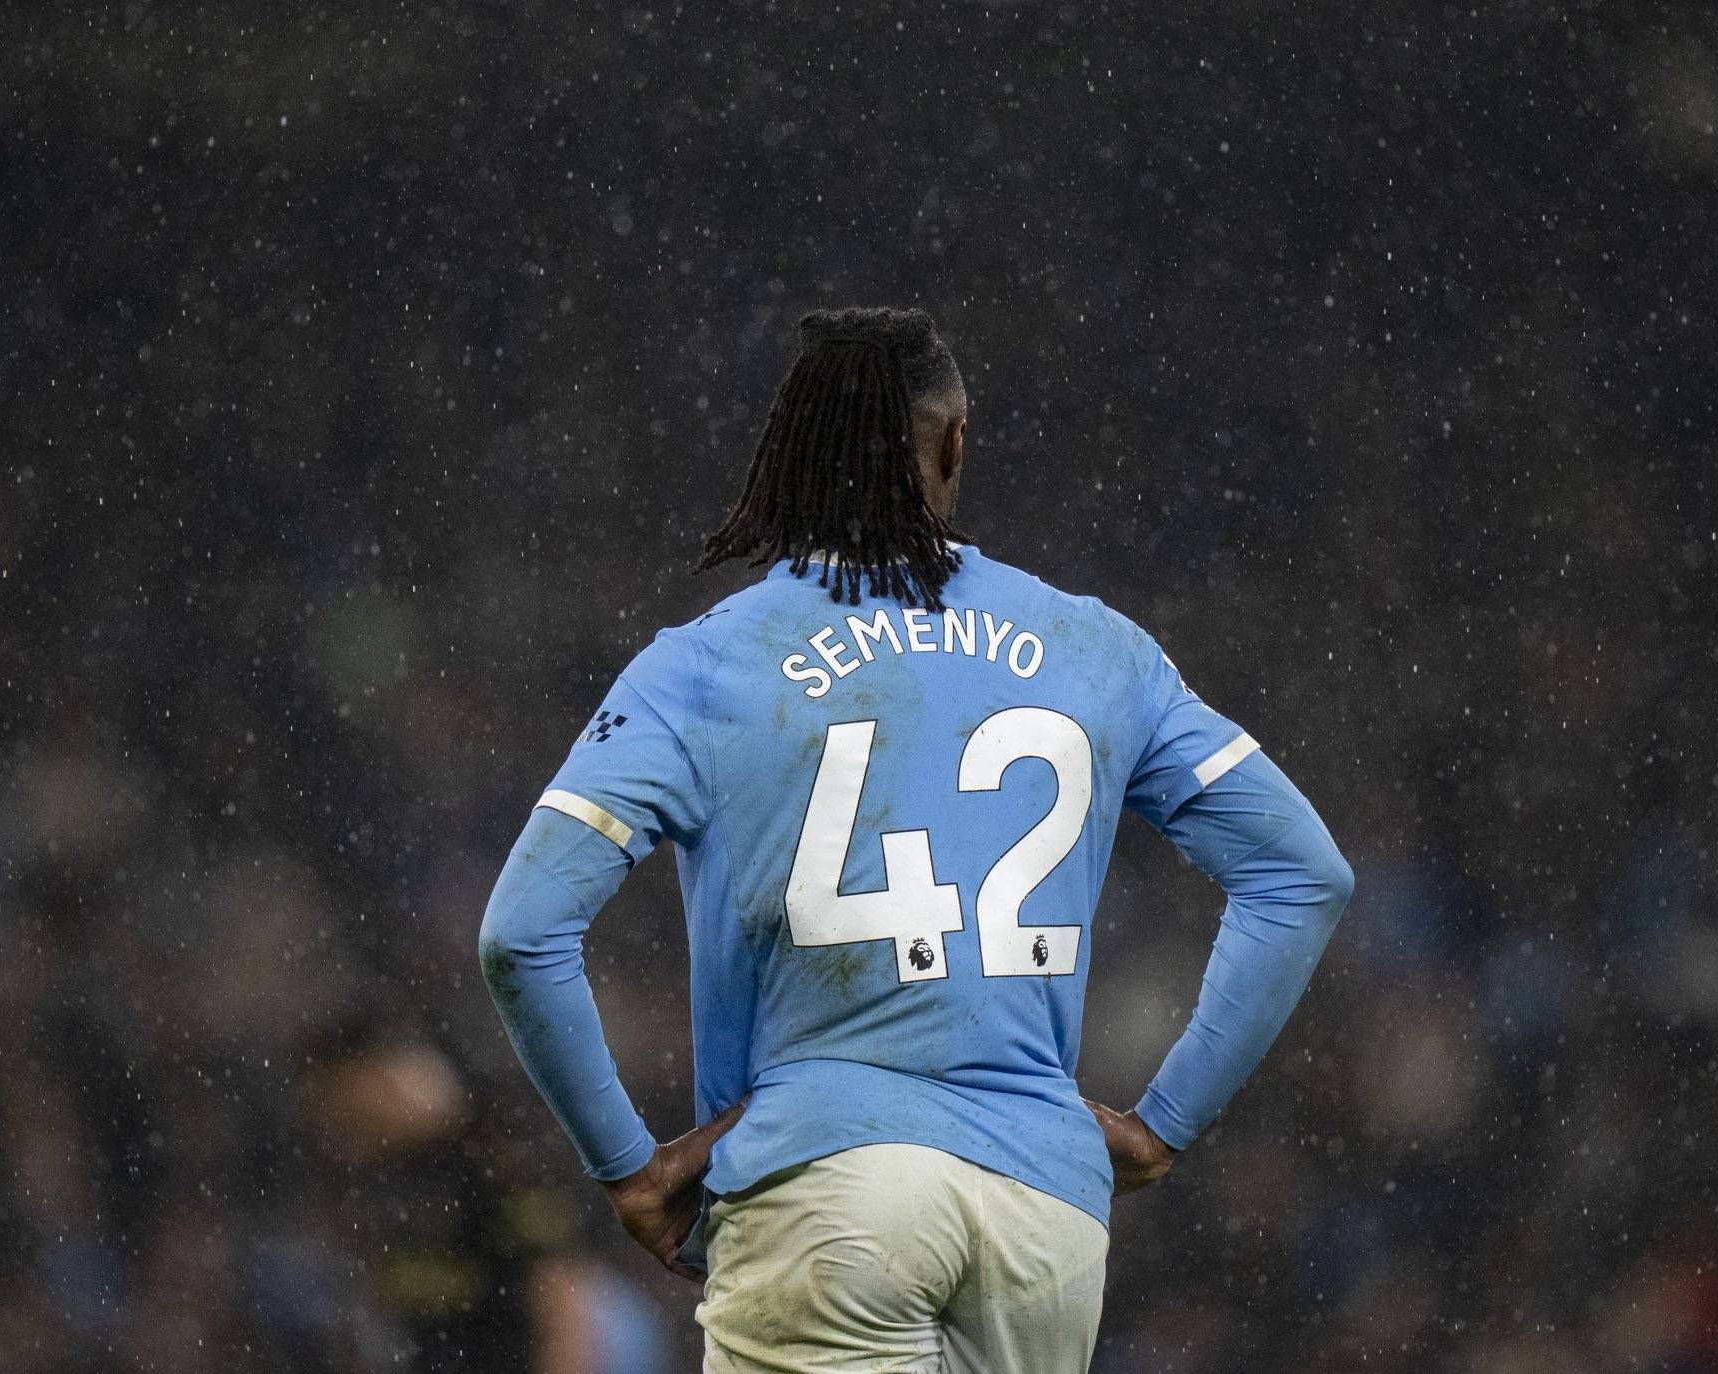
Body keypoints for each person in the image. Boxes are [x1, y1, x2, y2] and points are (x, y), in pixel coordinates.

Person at [479, 306, 1354, 1372]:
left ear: (787, 457)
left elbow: (521, 934)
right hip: (1041, 1214)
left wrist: (628, 1166)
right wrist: (1163, 1122)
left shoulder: (702, 666)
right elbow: (1301, 875)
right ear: (953, 444)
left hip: (823, 1187)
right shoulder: (1095, 646)